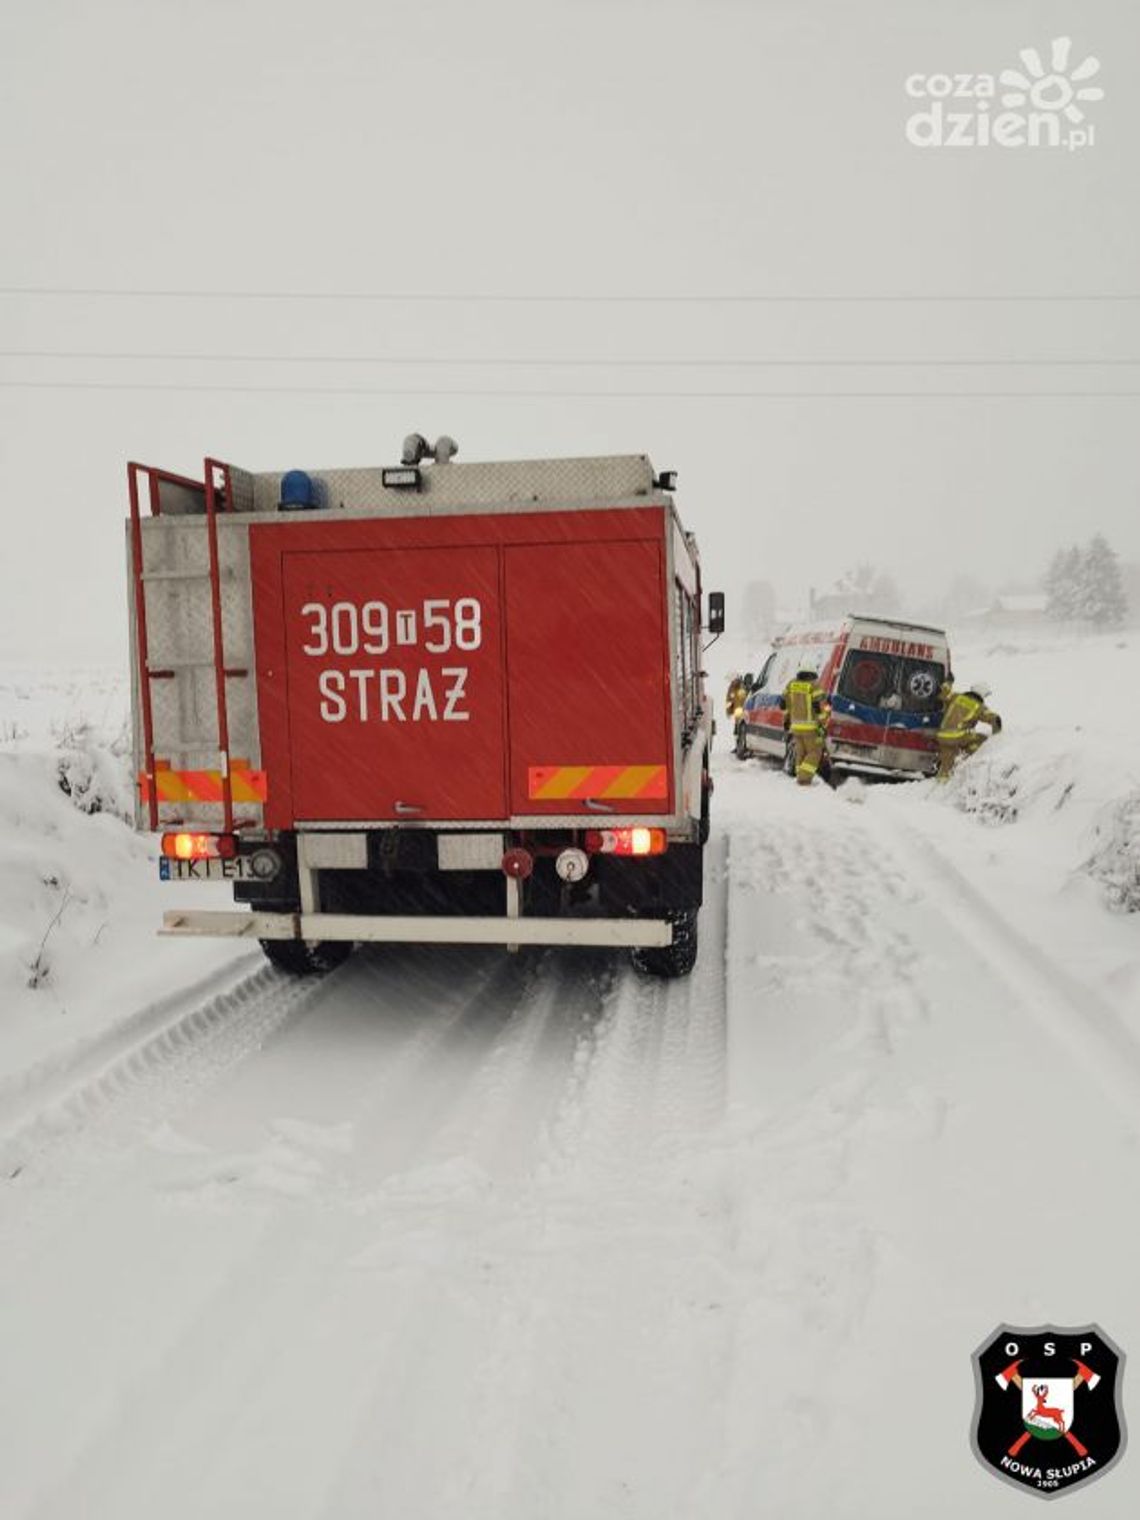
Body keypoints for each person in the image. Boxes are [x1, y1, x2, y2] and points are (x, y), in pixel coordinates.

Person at [936, 679, 1002, 781]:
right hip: (958, 736)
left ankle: (942, 781)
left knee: (946, 764)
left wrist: (948, 681)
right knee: (983, 738)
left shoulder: (956, 697)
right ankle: (965, 757)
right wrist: (997, 733)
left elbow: (944, 692)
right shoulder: (978, 707)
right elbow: (993, 718)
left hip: (942, 736)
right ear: (982, 694)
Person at [781, 663, 831, 786]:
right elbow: (819, 708)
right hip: (811, 728)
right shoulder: (814, 686)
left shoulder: (791, 684)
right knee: (815, 753)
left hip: (795, 727)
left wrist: (786, 719)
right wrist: (823, 724)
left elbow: (783, 704)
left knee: (801, 753)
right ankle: (803, 778)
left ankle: (801, 778)